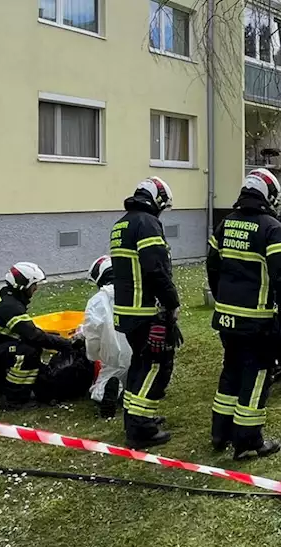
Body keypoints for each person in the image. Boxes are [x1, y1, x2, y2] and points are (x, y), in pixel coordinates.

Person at [208, 168, 281, 460]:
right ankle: (248, 440)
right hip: (257, 320)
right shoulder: (271, 228)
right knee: (257, 373)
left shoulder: (225, 224)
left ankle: (220, 432)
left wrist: (223, 299)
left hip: (226, 317)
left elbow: (212, 268)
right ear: (269, 196)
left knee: (231, 370)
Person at [111, 177, 180, 449]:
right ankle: (141, 429)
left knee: (140, 365)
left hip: (127, 310)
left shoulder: (123, 223)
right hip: (146, 310)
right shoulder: (147, 224)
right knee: (154, 365)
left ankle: (136, 417)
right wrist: (171, 301)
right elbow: (154, 268)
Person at [0, 262, 74, 409]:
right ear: (23, 287)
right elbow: (35, 336)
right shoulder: (11, 307)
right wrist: (65, 344)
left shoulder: (9, 301)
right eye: (34, 285)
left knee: (27, 348)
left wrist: (58, 340)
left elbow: (31, 332)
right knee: (28, 352)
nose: (36, 289)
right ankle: (14, 400)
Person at [79, 255, 132, 418]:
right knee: (137, 380)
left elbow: (92, 337)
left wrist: (92, 355)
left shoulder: (97, 302)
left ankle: (107, 394)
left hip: (113, 359)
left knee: (101, 386)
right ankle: (132, 392)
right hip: (141, 354)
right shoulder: (136, 292)